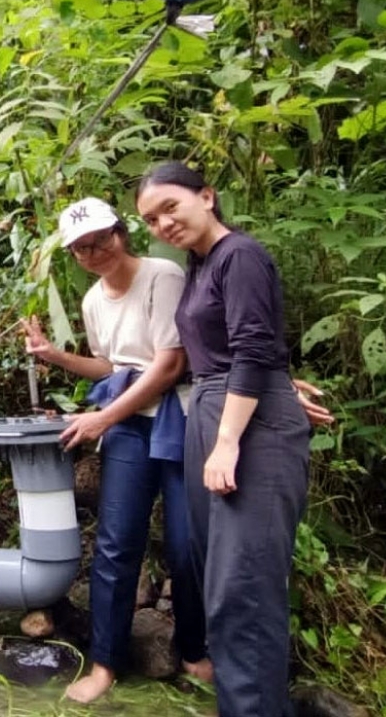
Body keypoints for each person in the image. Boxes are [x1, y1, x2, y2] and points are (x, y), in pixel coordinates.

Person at [135, 161, 327, 717]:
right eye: (150, 219)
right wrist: (278, 385)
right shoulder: (203, 264)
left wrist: (230, 438)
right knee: (215, 577)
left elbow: (252, 350)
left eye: (171, 207)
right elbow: (239, 343)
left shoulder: (239, 254)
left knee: (242, 588)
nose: (162, 223)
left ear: (207, 196)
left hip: (242, 427)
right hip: (220, 408)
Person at [22, 197, 209, 703]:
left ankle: (193, 650)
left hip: (178, 417)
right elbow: (110, 367)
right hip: (129, 426)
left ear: (120, 234)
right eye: (81, 248)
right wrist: (54, 355)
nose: (93, 252)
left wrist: (102, 418)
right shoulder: (92, 301)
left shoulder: (162, 276)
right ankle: (104, 664)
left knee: (188, 545)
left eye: (101, 240)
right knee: (114, 545)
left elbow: (169, 366)